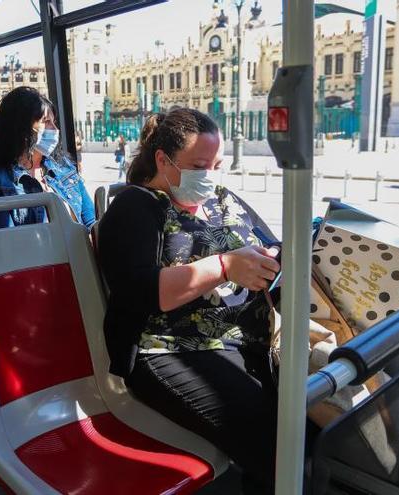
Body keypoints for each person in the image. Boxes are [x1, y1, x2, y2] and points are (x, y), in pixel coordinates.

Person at [97, 108, 283, 493]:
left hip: (244, 338)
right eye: (201, 165)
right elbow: (143, 291)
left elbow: (267, 243)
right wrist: (225, 266)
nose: (211, 176)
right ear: (163, 160)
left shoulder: (222, 199)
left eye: (217, 164)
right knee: (278, 443)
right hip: (170, 349)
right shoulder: (136, 207)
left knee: (303, 418)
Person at [0, 86, 94, 230]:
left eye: (54, 121)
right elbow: (5, 242)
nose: (55, 129)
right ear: (21, 127)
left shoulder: (64, 169)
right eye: (45, 121)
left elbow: (91, 221)